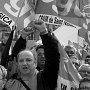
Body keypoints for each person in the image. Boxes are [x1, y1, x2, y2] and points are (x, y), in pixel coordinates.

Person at [3, 20, 60, 90]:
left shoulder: (44, 79)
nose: (24, 63)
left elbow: (53, 57)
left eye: (28, 60)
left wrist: (44, 32)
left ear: (35, 63)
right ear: (17, 64)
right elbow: (15, 54)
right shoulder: (10, 83)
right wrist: (23, 37)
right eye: (21, 61)